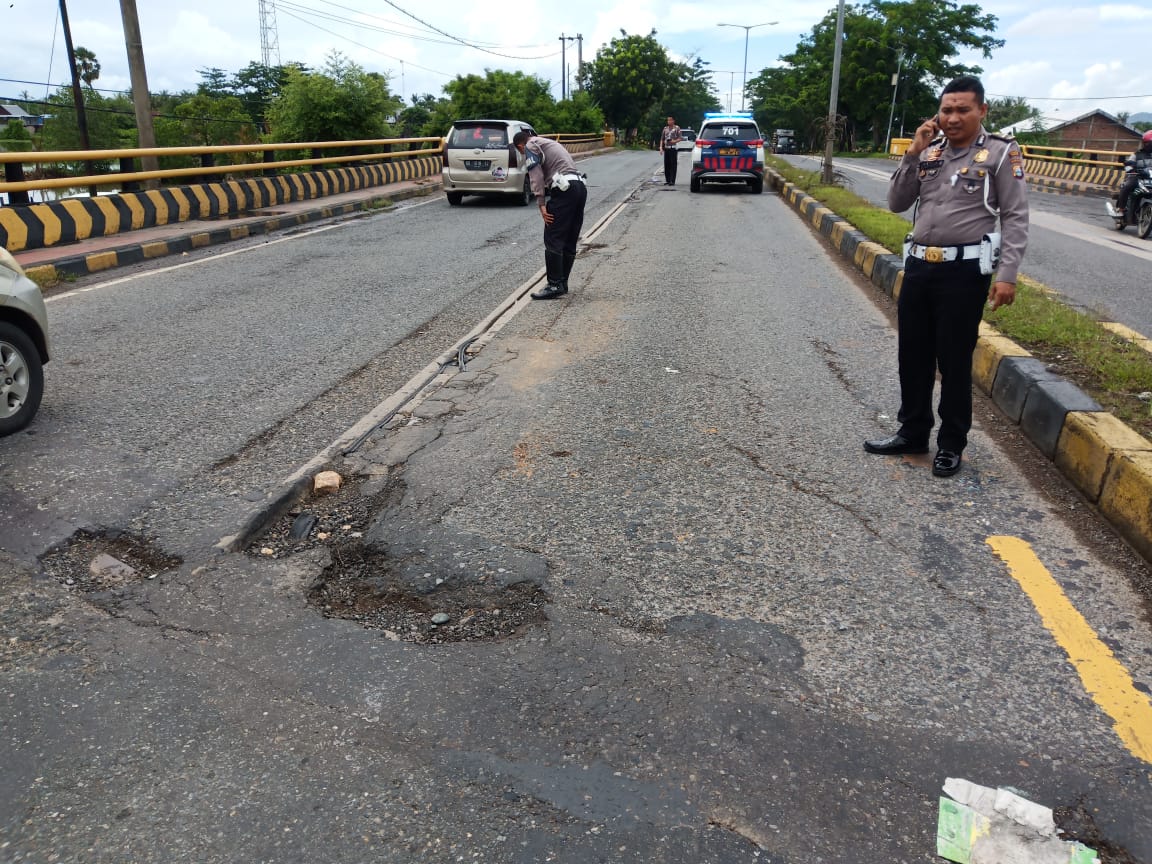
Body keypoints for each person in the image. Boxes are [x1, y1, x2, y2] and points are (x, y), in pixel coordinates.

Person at [865, 75, 1029, 478]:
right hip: (920, 266)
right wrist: (912, 155)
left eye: (962, 110)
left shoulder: (999, 153)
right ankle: (914, 431)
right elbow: (896, 203)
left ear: (981, 111)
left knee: (953, 360)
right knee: (913, 355)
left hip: (964, 271)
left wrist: (1007, 274)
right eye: (947, 110)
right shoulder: (931, 152)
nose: (953, 118)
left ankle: (952, 443)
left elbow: (1015, 215)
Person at [513, 130, 588, 301]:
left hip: (564, 190)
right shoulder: (548, 142)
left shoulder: (531, 146)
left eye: (520, 152)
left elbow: (536, 174)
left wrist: (540, 203)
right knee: (569, 237)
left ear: (520, 146)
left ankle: (554, 284)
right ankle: (562, 283)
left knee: (553, 235)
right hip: (579, 187)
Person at [1115, 130, 1152, 218]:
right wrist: (1131, 170)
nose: (1148, 145)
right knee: (1127, 186)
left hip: (1150, 179)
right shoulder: (1137, 155)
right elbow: (1129, 164)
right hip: (1137, 177)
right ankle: (1121, 209)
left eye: (1149, 143)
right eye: (1147, 143)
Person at [660, 116, 682, 186]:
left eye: (670, 120)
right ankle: (668, 180)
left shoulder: (677, 128)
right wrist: (661, 147)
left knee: (673, 165)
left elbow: (680, 138)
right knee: (667, 165)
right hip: (666, 148)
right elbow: (662, 139)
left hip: (673, 148)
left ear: (673, 121)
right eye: (668, 120)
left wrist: (674, 141)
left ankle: (672, 180)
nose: (669, 121)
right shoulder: (665, 129)